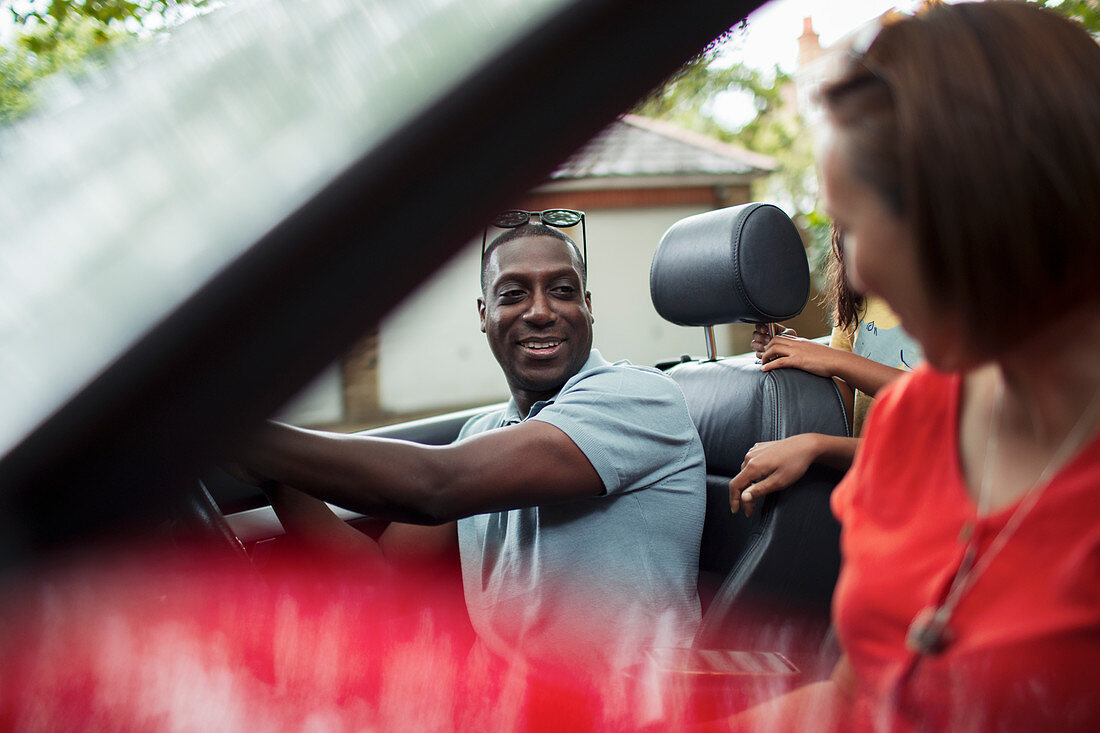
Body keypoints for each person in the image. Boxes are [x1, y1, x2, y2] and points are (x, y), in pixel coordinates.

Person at [728, 3, 1100, 730]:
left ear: (982, 203)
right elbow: (852, 695)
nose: (856, 267)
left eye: (860, 225)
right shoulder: (911, 416)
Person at [232, 219, 706, 671]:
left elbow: (437, 485)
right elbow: (380, 581)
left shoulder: (638, 398)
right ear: (485, 314)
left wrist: (243, 436)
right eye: (513, 294)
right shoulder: (481, 435)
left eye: (562, 291)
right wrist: (275, 477)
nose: (541, 311)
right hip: (503, 700)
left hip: (633, 704)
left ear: (587, 305)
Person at [729, 226, 923, 517]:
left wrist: (817, 446)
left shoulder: (957, 296)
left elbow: (943, 403)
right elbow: (848, 402)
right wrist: (800, 356)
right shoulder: (861, 297)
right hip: (873, 494)